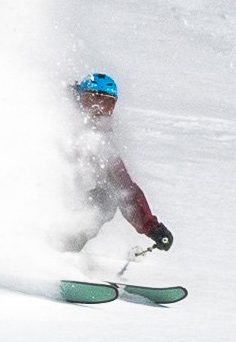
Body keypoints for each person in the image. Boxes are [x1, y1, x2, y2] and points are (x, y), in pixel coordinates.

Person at [65, 73, 173, 253]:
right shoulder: (55, 118)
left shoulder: (101, 139)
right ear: (79, 99)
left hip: (67, 200)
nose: (98, 109)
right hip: (36, 193)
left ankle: (64, 250)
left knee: (107, 198)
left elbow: (123, 187)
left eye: (107, 104)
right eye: (92, 100)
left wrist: (152, 227)